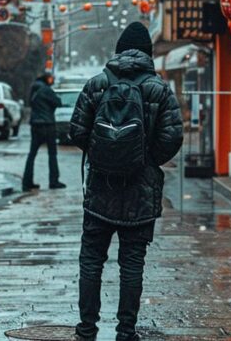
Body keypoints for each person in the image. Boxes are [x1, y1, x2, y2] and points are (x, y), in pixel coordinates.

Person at [69, 22, 183, 341]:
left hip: (99, 190)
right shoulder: (159, 90)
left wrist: (102, 155)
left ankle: (86, 328)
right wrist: (144, 159)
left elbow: (76, 130)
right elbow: (173, 137)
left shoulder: (97, 85)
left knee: (92, 259)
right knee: (132, 263)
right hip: (141, 192)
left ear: (118, 52)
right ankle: (126, 331)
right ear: (148, 54)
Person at [22, 72, 64, 192]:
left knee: (32, 154)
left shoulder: (33, 89)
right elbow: (58, 102)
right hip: (48, 125)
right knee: (52, 154)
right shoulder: (46, 90)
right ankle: (53, 181)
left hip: (35, 124)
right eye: (51, 79)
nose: (52, 81)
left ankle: (27, 182)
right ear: (47, 79)